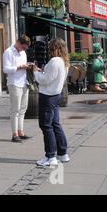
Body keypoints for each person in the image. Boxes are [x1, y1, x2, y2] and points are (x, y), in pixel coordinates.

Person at [34, 38, 70, 167]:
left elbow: (45, 80)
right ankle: (62, 153)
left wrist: (35, 72)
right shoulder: (64, 61)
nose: (48, 49)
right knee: (55, 124)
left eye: (50, 47)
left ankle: (50, 156)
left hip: (48, 96)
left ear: (54, 48)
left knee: (46, 125)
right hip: (55, 94)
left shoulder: (55, 61)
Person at [3, 35, 33, 143]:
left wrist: (28, 66)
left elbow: (23, 65)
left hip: (24, 82)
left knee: (23, 109)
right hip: (14, 83)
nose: (24, 50)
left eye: (25, 48)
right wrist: (20, 67)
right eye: (23, 47)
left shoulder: (23, 53)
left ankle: (21, 132)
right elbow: (6, 69)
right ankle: (14, 134)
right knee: (15, 109)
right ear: (18, 43)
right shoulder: (8, 52)